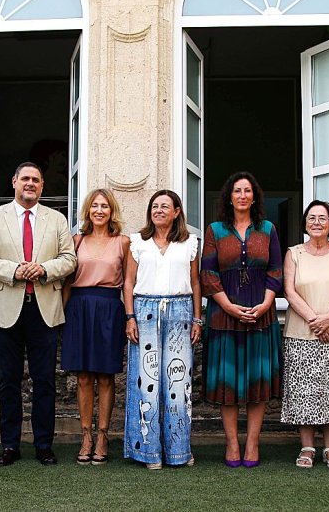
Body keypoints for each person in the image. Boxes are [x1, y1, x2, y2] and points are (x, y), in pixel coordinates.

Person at [0, 162, 77, 466]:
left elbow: (69, 259)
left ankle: (44, 444)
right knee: (9, 381)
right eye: (25, 179)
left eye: (36, 180)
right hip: (7, 308)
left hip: (43, 309)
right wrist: (15, 270)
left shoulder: (56, 219)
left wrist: (44, 268)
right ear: (14, 182)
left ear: (42, 186)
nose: (30, 184)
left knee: (45, 380)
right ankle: (10, 445)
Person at [201, 172, 282, 468]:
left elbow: (276, 270)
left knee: (257, 382)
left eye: (248, 190)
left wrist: (265, 304)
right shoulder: (215, 230)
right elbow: (208, 274)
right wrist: (229, 306)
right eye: (237, 191)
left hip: (261, 312)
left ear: (255, 196)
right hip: (224, 314)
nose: (243, 195)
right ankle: (232, 442)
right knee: (229, 382)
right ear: (229, 196)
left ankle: (253, 442)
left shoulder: (268, 228)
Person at [122, 190, 202, 470]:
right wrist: (129, 316)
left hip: (180, 310)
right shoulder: (137, 242)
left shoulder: (190, 242)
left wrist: (197, 319)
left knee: (178, 383)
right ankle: (148, 451)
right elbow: (128, 283)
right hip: (144, 311)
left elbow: (195, 282)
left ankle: (179, 450)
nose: (158, 210)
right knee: (147, 380)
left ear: (177, 211)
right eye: (154, 206)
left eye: (164, 206)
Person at [281, 200, 329, 470]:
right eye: (311, 218)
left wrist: (328, 319)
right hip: (302, 332)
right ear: (305, 223)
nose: (316, 222)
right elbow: (289, 291)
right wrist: (315, 320)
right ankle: (308, 447)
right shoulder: (294, 253)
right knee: (305, 390)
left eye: (322, 218)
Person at [62, 189, 129, 465]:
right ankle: (86, 435)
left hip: (110, 308)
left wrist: (129, 316)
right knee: (83, 377)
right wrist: (61, 316)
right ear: (88, 211)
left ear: (111, 211)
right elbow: (66, 282)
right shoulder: (76, 240)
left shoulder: (123, 242)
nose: (99, 210)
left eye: (104, 206)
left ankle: (103, 434)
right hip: (78, 308)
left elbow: (128, 283)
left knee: (105, 376)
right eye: (94, 206)